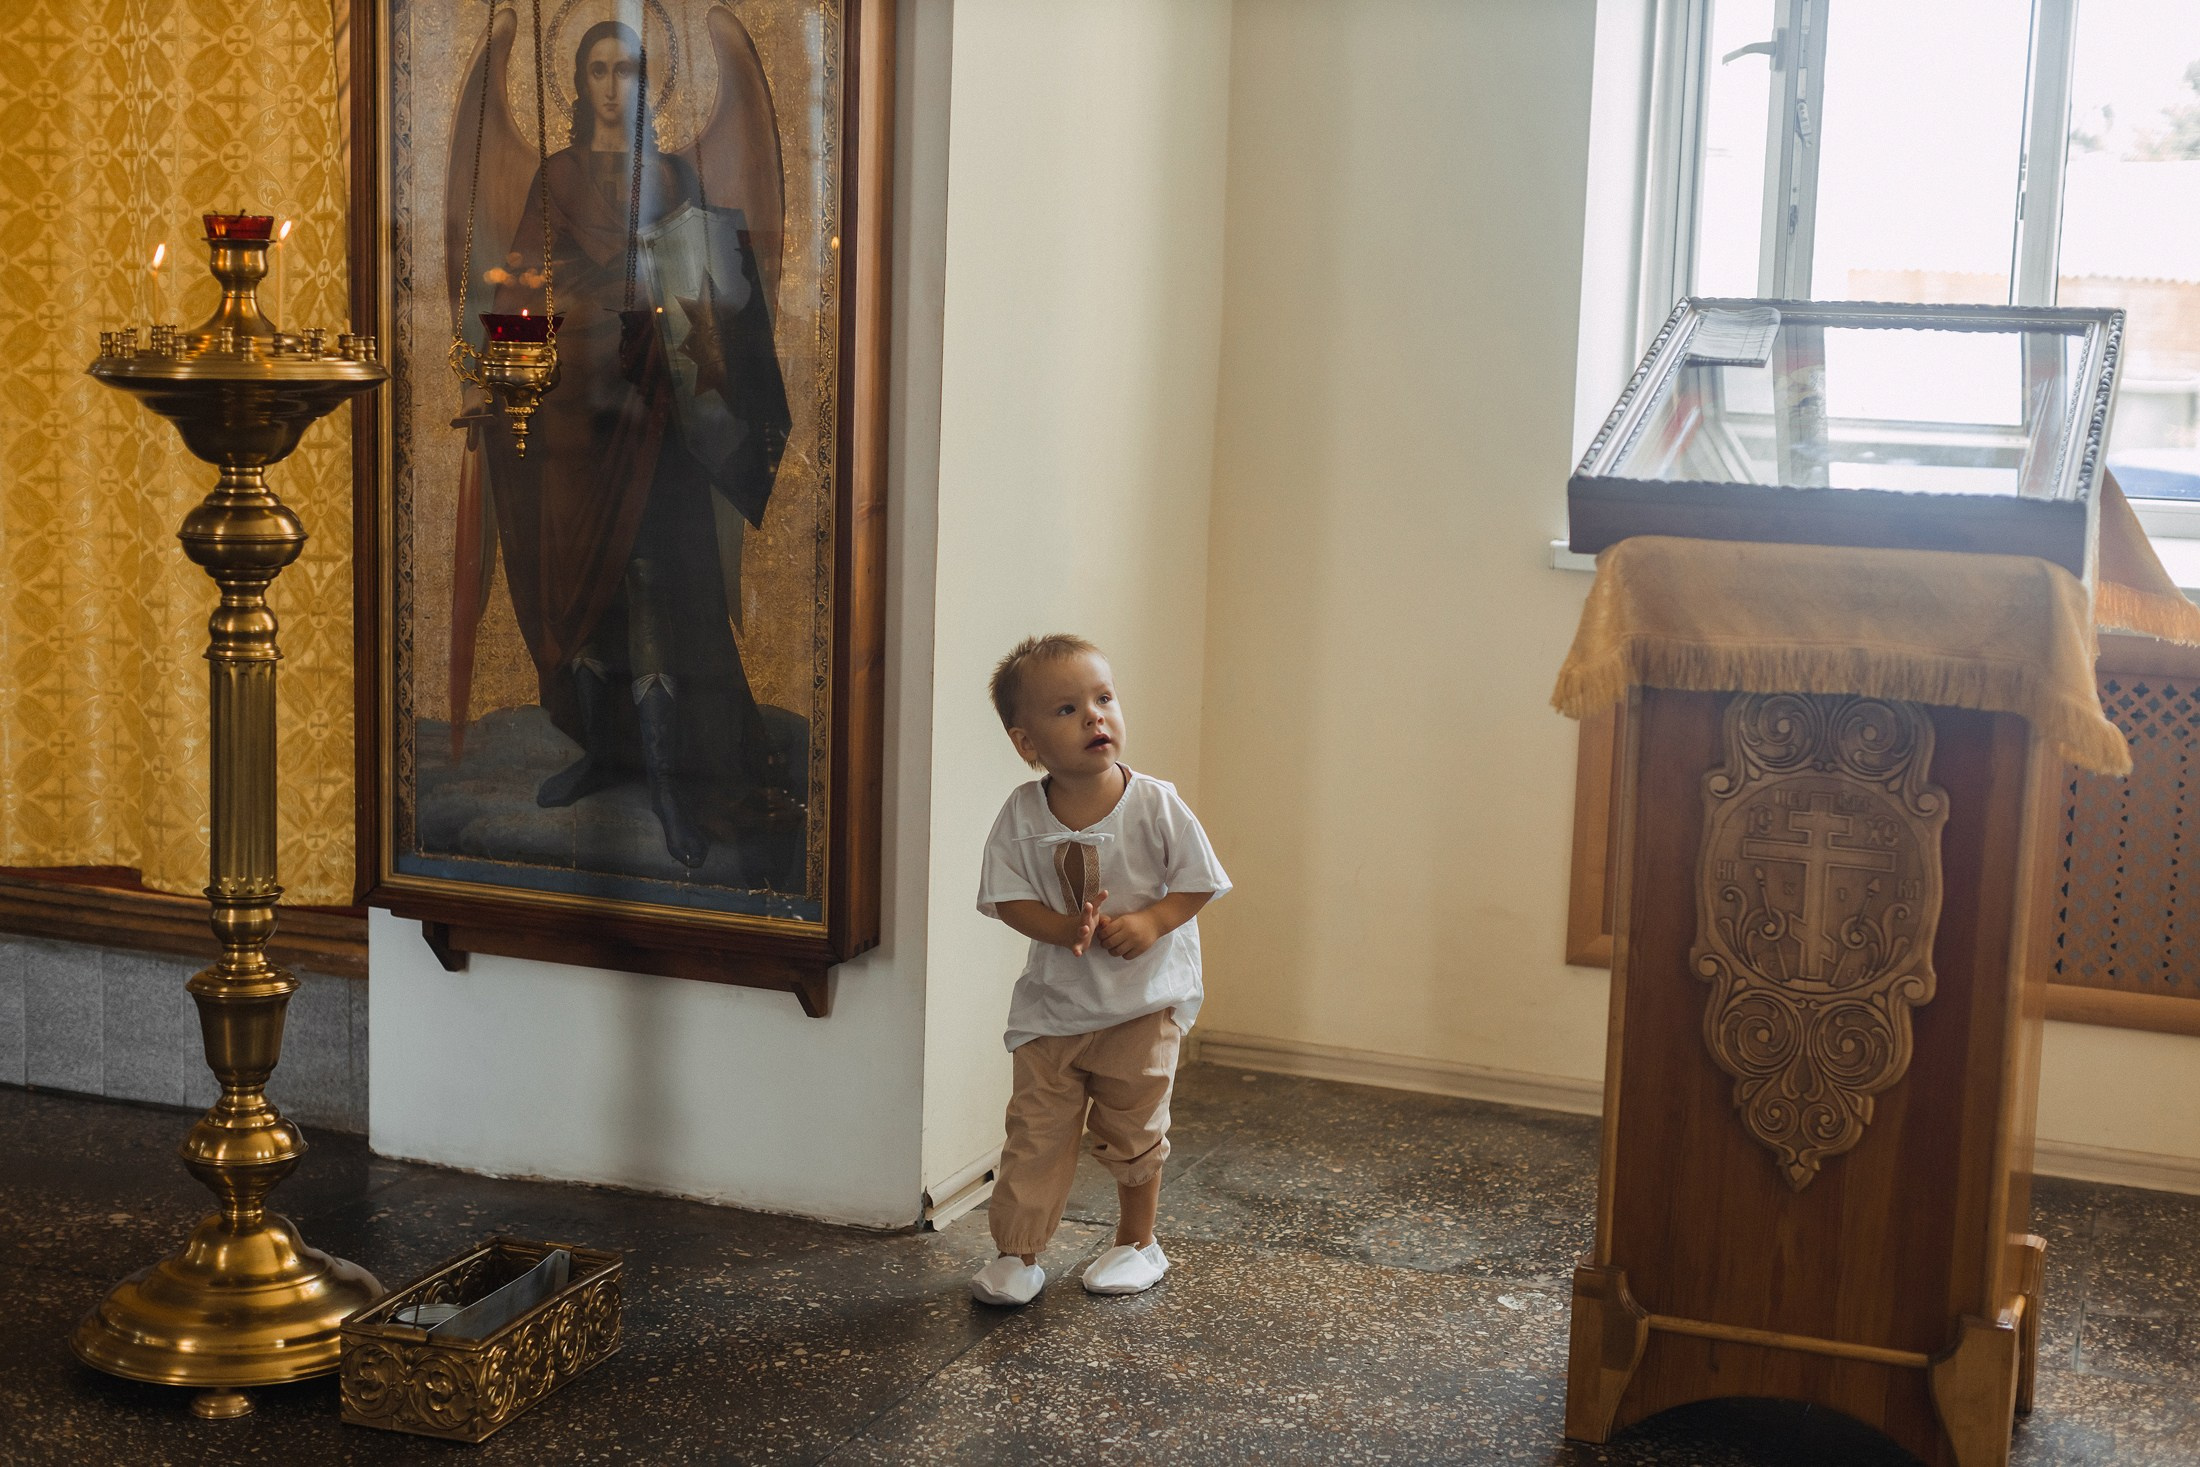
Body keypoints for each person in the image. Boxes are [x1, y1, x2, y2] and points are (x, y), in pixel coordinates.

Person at [478, 19, 792, 870]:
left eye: (628, 70)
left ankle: (668, 783)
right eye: (599, 69)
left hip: (657, 420)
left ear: (651, 85)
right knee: (585, 588)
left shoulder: (677, 175)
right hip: (579, 418)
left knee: (655, 589)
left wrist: (659, 303)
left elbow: (706, 284)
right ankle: (603, 752)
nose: (613, 84)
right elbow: (521, 281)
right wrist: (568, 303)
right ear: (577, 84)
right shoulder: (556, 175)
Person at [968, 635, 1231, 1306]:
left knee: (1134, 1128)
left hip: (1142, 1005)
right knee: (1035, 1132)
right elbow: (1006, 897)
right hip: (1053, 1011)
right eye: (1067, 709)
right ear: (1027, 743)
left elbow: (1199, 881)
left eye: (1104, 698)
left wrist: (1153, 921)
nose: (1095, 717)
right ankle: (1017, 1254)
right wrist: (1061, 929)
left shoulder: (1156, 803)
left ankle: (1138, 1242)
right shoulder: (1022, 815)